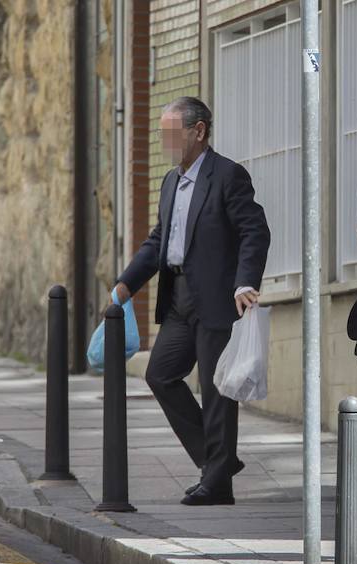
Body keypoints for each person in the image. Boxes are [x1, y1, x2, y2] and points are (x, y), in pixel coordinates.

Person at [115, 97, 271, 506]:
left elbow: (255, 231)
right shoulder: (170, 181)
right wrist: (126, 284)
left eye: (172, 134)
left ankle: (217, 482)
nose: (165, 143)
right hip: (178, 297)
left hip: (219, 297)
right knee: (161, 374)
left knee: (217, 391)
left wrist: (244, 282)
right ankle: (216, 460)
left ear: (198, 131)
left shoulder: (228, 176)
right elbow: (158, 240)